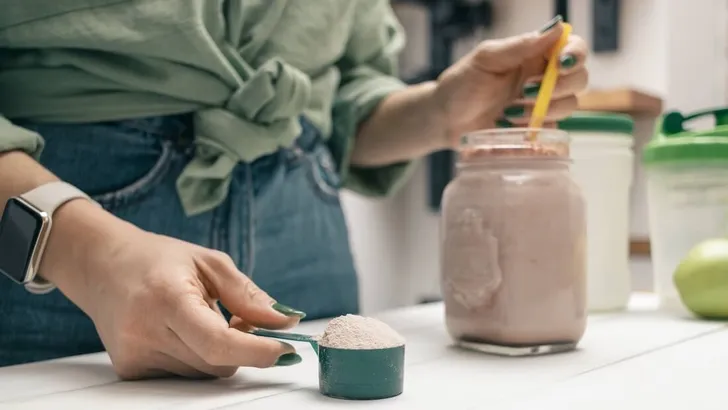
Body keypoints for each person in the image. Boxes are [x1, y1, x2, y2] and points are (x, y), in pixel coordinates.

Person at [0, 2, 588, 379]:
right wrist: (91, 253)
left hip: (304, 225)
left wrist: (438, 111)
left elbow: (344, 95)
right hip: (56, 250)